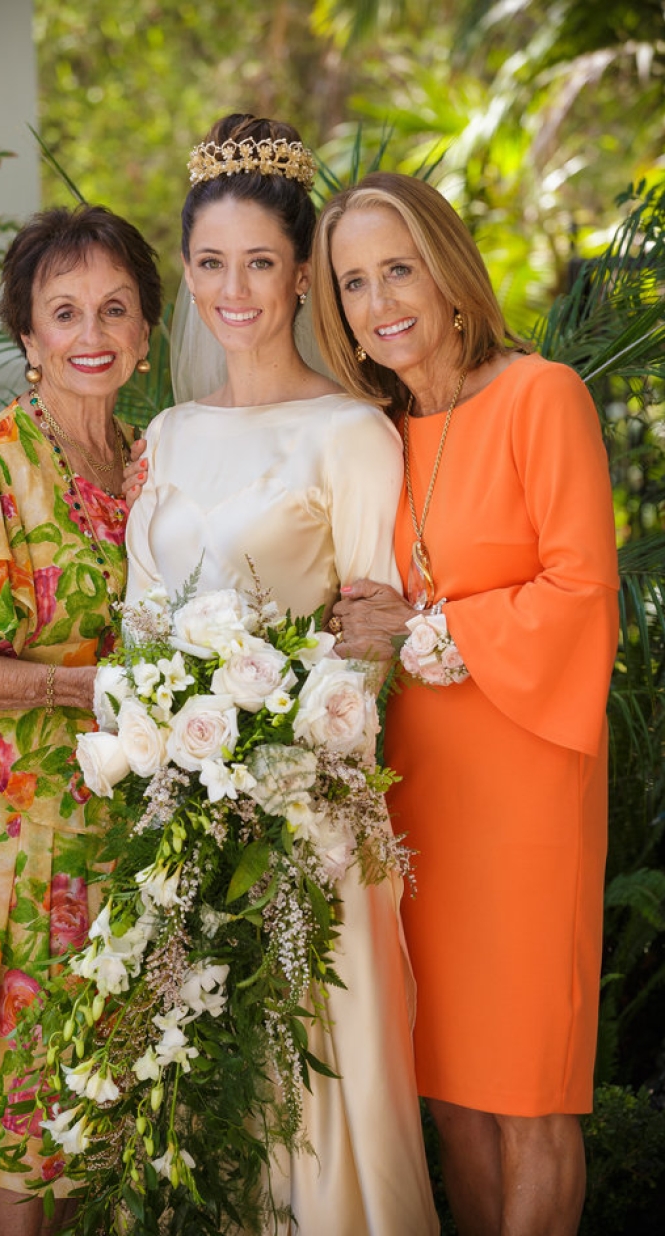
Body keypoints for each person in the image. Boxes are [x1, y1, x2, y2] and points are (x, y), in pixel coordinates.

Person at [124, 113, 439, 1235]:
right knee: (198, 1088)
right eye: (211, 264)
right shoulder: (161, 432)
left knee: (309, 1091)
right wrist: (158, 752)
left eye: (260, 262)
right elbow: (138, 633)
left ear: (303, 274)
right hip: (175, 820)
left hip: (308, 821)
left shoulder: (353, 431)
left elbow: (375, 639)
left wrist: (278, 769)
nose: (234, 289)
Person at [310, 171, 619, 1236]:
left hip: (531, 767)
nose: (380, 300)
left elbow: (582, 593)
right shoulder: (373, 436)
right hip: (418, 786)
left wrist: (423, 631)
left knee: (526, 1086)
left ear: (448, 271)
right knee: (446, 1082)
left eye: (398, 267)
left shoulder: (544, 395)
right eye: (353, 282)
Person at [0, 204, 162, 1236]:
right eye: (65, 313)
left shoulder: (142, 462)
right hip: (29, 825)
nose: (90, 333)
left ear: (144, 335)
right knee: (34, 1079)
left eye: (114, 308)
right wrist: (76, 688)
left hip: (129, 815)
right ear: (29, 339)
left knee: (108, 1080)